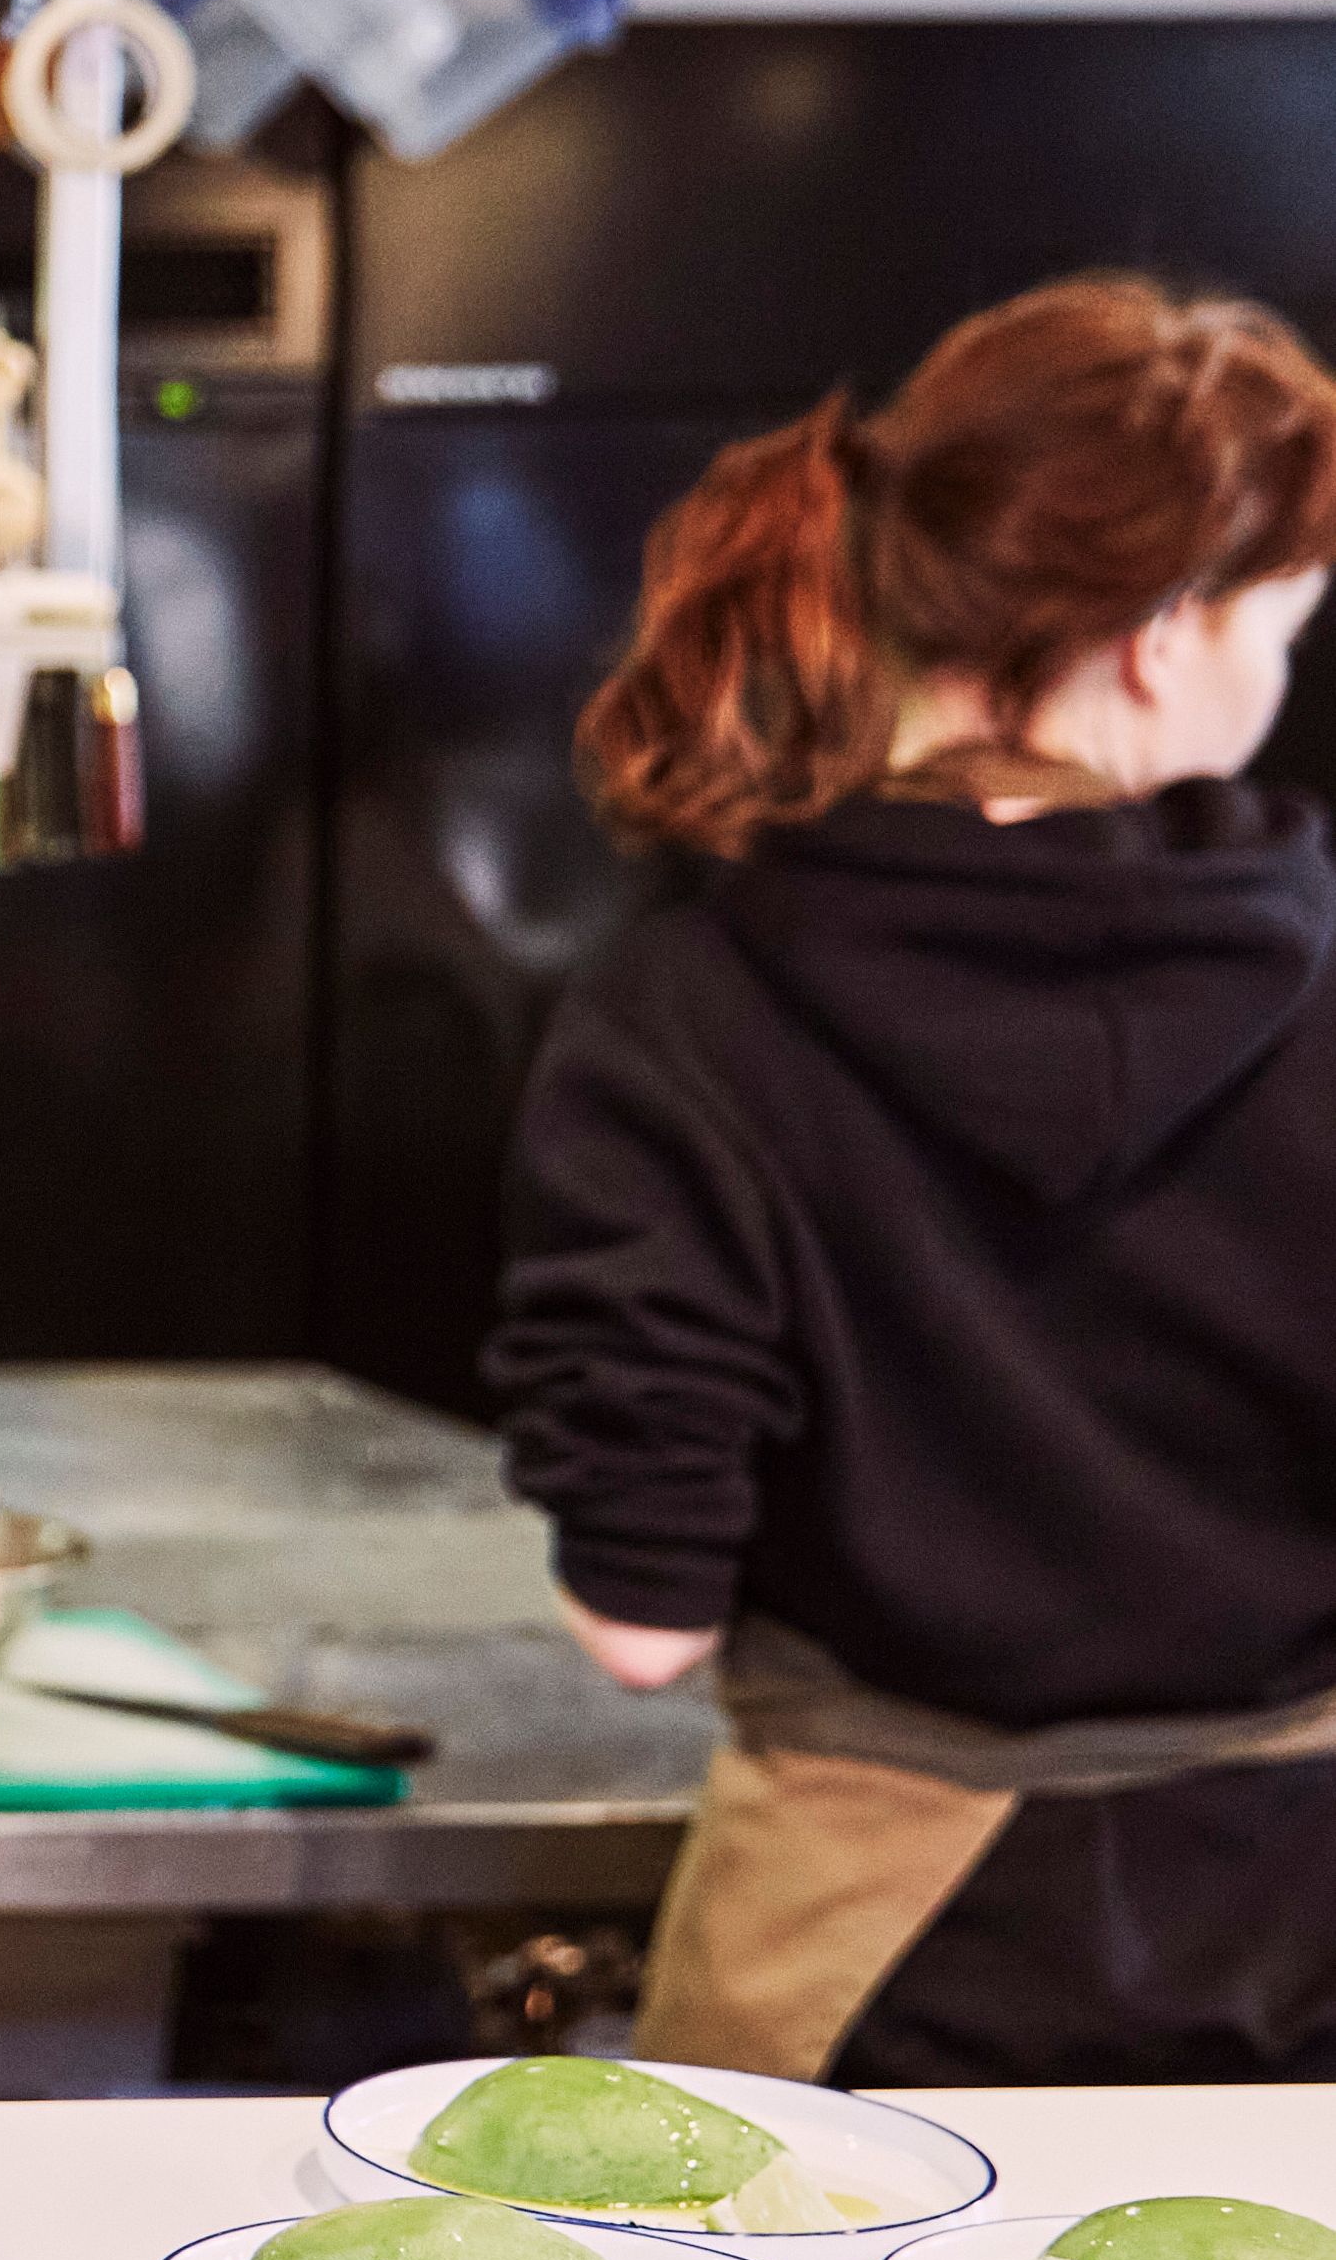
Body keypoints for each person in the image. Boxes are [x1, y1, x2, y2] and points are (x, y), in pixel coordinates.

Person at [487, 274, 1336, 2084]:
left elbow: (641, 1630)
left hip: (861, 1960)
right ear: (1162, 635)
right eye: (1282, 630)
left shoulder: (687, 1004)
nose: (1277, 685)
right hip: (1302, 1952)